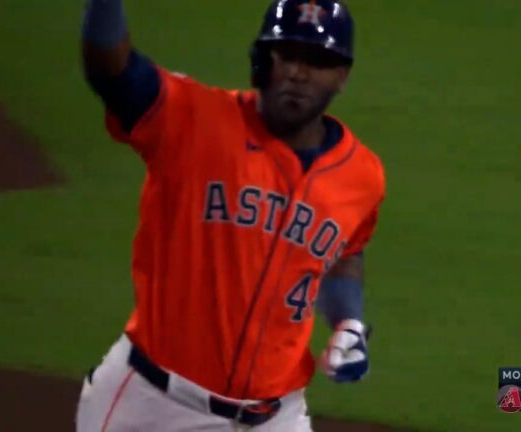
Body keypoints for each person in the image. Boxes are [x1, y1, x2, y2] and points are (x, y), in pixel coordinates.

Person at [76, 0, 385, 430]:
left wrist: (348, 321)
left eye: (317, 60)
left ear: (342, 76)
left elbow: (347, 248)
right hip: (155, 406)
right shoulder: (190, 118)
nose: (298, 72)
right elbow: (112, 71)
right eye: (287, 54)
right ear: (262, 60)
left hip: (278, 415)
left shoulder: (362, 175)